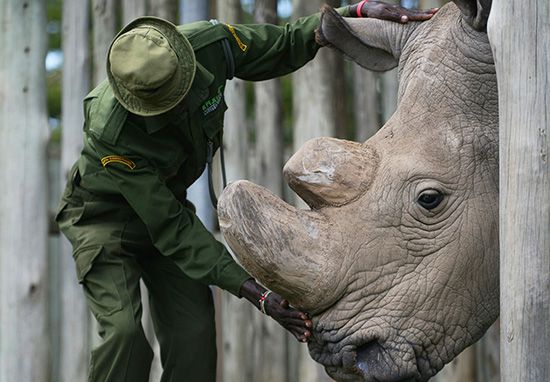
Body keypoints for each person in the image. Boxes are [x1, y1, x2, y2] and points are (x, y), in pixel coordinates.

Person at [56, 2, 436, 381]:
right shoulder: (114, 131)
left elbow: (283, 43)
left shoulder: (207, 46)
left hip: (167, 209)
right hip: (104, 222)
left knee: (194, 334)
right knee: (123, 336)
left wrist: (352, 14)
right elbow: (171, 229)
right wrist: (257, 293)